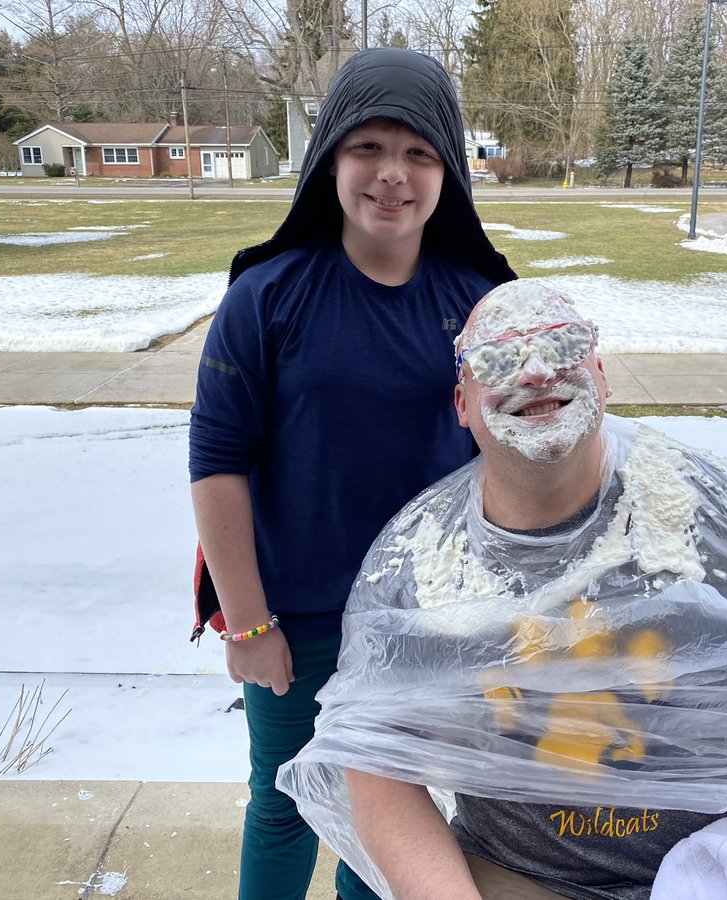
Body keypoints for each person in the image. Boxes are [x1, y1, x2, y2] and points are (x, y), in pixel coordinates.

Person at [276, 282, 727, 900]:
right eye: (497, 359)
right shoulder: (420, 559)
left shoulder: (725, 516)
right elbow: (371, 757)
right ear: (462, 403)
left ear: (602, 374)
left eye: (564, 345)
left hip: (725, 866)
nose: (538, 370)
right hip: (518, 878)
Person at [188, 48, 516, 900]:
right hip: (297, 627)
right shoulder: (266, 297)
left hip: (424, 625)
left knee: (389, 821)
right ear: (330, 156)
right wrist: (249, 627)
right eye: (368, 147)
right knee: (285, 806)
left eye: (419, 153)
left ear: (447, 171)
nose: (392, 175)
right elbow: (218, 464)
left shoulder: (480, 303)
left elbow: (517, 458)